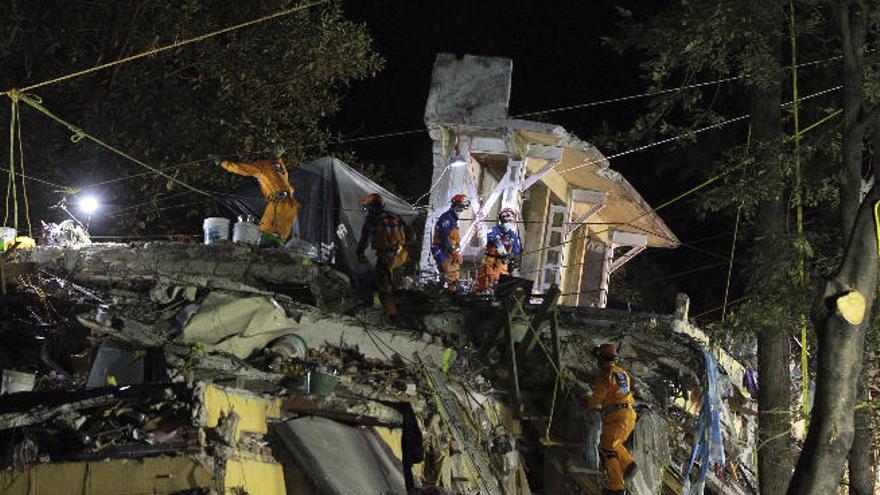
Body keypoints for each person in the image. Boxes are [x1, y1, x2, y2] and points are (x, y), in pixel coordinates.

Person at [216, 147, 299, 246]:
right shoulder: (276, 165)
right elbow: (284, 180)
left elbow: (240, 168)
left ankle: (266, 250)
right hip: (288, 204)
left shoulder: (261, 166)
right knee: (280, 232)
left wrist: (221, 163)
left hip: (279, 203)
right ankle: (274, 251)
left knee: (267, 229)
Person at [586, 343, 638, 495]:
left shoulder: (605, 375)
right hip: (627, 414)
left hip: (617, 415)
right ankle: (621, 480)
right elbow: (619, 392)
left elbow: (597, 398)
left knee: (610, 446)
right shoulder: (621, 373)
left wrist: (587, 402)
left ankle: (625, 471)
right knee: (611, 447)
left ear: (602, 359)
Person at [357, 193, 410, 321]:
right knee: (396, 284)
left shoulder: (373, 219)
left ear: (370, 207)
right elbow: (411, 235)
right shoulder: (395, 216)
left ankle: (394, 317)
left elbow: (365, 239)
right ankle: (406, 308)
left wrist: (360, 253)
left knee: (384, 287)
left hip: (387, 258)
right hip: (402, 255)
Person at [474, 207, 522, 291]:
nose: (508, 223)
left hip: (504, 266)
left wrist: (511, 255)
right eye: (506, 221)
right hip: (490, 264)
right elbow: (492, 239)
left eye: (510, 221)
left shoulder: (513, 235)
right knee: (486, 283)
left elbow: (517, 248)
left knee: (503, 286)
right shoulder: (492, 230)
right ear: (501, 220)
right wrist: (500, 248)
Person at [431, 194, 469, 292]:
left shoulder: (453, 220)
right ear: (454, 205)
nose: (461, 210)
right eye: (460, 207)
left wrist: (456, 251)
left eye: (463, 208)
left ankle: (446, 291)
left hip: (449, 252)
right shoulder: (446, 218)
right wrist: (454, 252)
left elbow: (453, 239)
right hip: (441, 249)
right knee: (448, 274)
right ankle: (444, 293)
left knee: (454, 276)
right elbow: (444, 239)